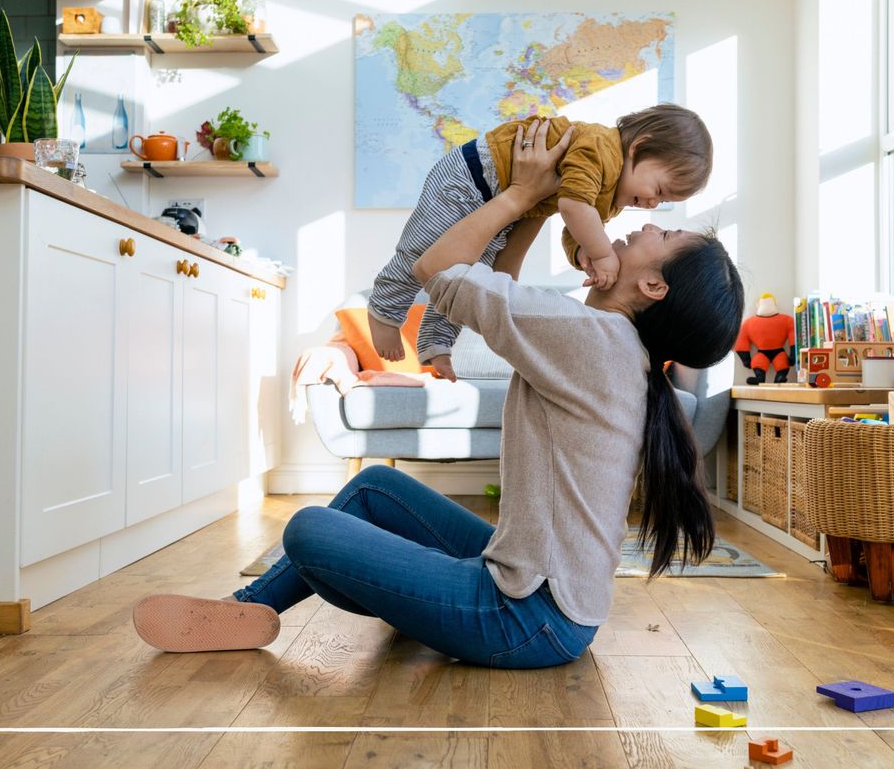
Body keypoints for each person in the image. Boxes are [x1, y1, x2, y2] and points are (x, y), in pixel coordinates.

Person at [132, 119, 744, 669]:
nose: (644, 223)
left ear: (652, 285)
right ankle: (249, 612)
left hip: (524, 618)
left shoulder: (590, 337)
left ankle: (362, 596)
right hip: (541, 596)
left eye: (662, 233)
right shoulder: (606, 343)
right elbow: (494, 289)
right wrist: (534, 208)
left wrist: (520, 193)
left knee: (308, 530)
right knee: (375, 488)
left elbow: (437, 268)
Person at [365, 104, 714, 381]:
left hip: (506, 199)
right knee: (420, 247)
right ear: (639, 148)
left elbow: (572, 223)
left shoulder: (609, 199)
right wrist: (600, 252)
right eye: (659, 190)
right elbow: (572, 206)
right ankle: (384, 307)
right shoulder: (602, 149)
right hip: (473, 176)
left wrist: (582, 252)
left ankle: (435, 339)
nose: (653, 209)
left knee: (471, 271)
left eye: (664, 203)